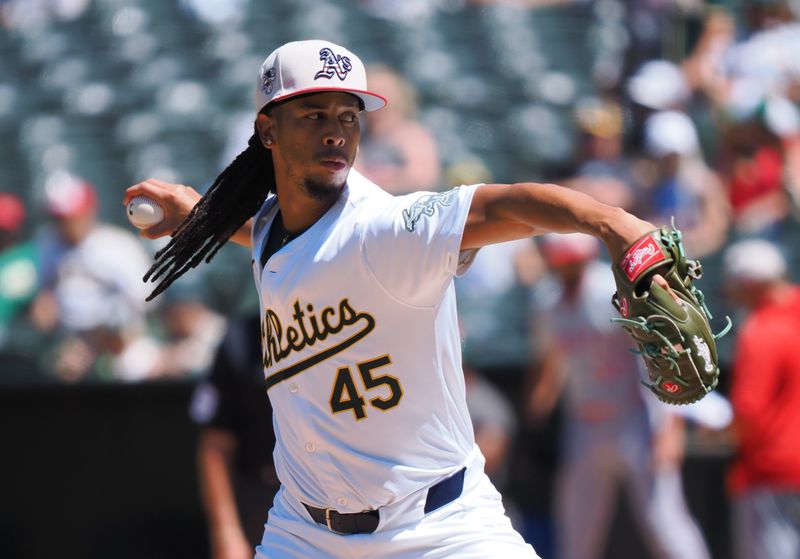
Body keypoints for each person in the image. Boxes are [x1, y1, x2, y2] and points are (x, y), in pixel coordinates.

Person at [123, 39, 666, 558]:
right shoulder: (272, 226)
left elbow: (505, 207)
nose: (335, 131)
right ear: (267, 129)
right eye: (314, 115)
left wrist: (612, 223)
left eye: (348, 116)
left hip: (438, 528)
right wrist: (196, 213)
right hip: (303, 533)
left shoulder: (388, 228)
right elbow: (266, 229)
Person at [525, 232, 711, 559]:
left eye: (573, 262)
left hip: (634, 417)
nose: (567, 269)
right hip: (583, 422)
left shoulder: (611, 292)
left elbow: (656, 357)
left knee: (663, 521)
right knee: (577, 528)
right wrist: (540, 403)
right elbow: (551, 358)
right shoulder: (548, 301)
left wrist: (670, 426)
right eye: (561, 263)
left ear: (586, 259)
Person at [722, 238, 800, 559]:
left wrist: (718, 433)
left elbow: (748, 412)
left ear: (750, 284)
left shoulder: (760, 331)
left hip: (773, 468)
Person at [190, 313, 280, 559]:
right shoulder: (243, 337)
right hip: (265, 504)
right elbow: (215, 444)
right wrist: (225, 532)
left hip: (344, 502)